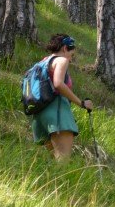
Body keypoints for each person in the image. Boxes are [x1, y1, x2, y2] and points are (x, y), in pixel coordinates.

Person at [29, 34, 94, 162]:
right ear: (65, 48)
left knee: (53, 162)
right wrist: (81, 103)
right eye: (72, 55)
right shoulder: (61, 60)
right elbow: (58, 83)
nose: (70, 59)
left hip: (39, 116)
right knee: (62, 164)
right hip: (57, 114)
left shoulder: (42, 62)